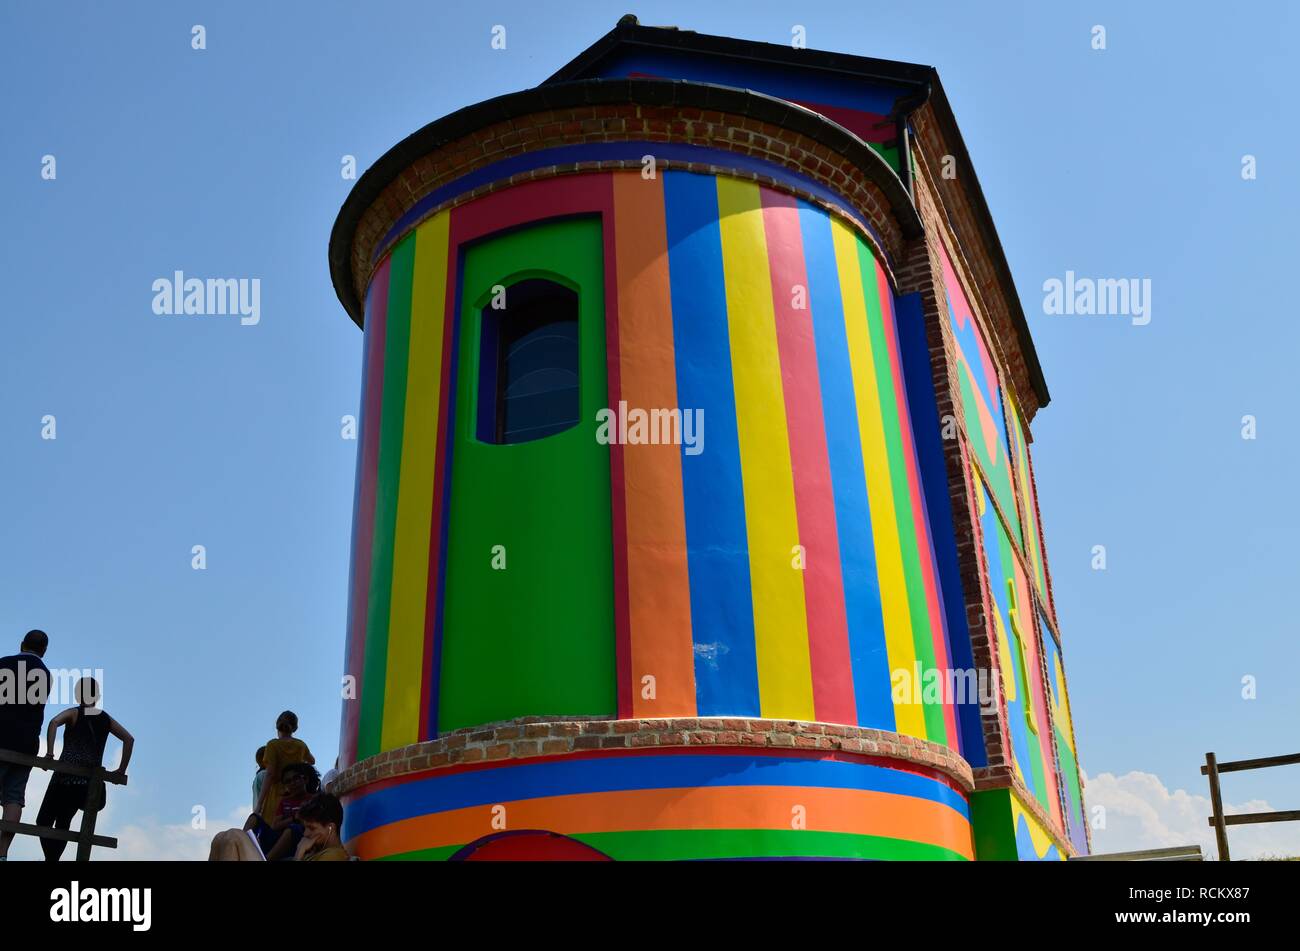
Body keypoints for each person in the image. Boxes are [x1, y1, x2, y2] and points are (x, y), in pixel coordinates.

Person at [36, 676, 133, 861]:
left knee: (43, 821)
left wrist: (50, 753)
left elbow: (54, 722)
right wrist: (121, 770)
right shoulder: (105, 719)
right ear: (97, 696)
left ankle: (51, 860)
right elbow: (129, 739)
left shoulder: (74, 713)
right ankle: (52, 860)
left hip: (64, 778)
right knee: (63, 823)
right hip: (87, 784)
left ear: (77, 694)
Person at [0, 630, 51, 861]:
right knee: (13, 798)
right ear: (44, 650)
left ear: (22, 644)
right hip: (26, 743)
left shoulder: (3, 664)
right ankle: (2, 853)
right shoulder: (45, 674)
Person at [208, 793, 349, 862]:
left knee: (235, 836)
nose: (305, 833)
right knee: (220, 839)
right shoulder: (315, 852)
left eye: (311, 828)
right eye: (305, 827)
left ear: (330, 828)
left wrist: (299, 854)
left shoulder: (334, 856)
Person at [245, 762, 316, 860]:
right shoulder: (284, 801)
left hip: (297, 841)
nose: (292, 783)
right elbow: (275, 825)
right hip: (278, 838)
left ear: (305, 779)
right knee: (254, 818)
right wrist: (294, 818)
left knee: (292, 829)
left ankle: (267, 859)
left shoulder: (314, 799)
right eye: (288, 781)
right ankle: (239, 846)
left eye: (296, 778)